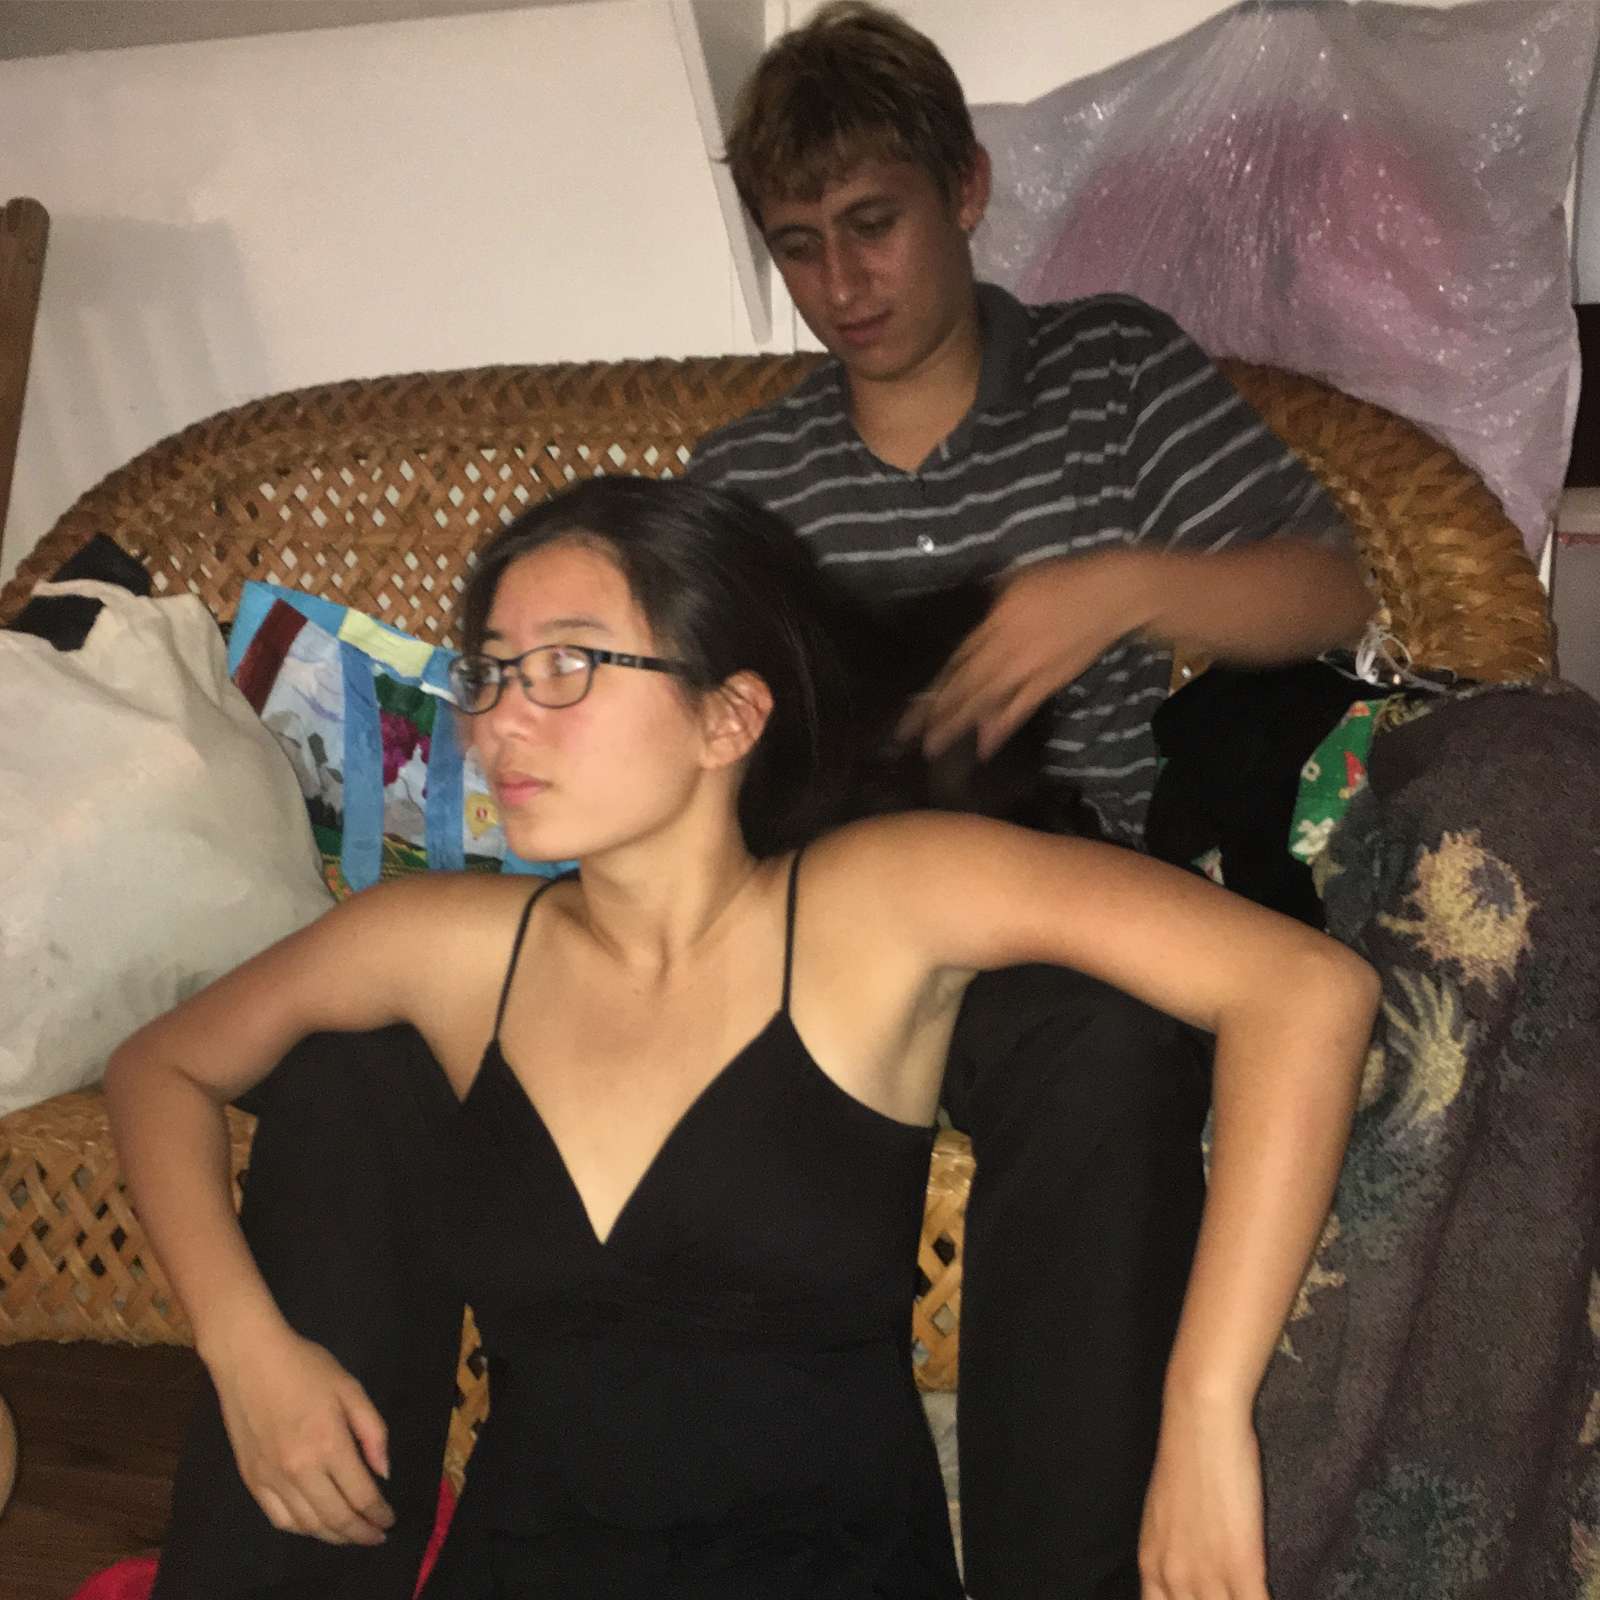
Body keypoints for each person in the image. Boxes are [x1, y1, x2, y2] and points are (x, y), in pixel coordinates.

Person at [107, 477, 1377, 1600]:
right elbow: (159, 1066)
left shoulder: (877, 902)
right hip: (527, 1569)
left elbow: (1302, 989)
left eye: (567, 665)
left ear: (728, 719)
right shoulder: (438, 944)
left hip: (827, 1572)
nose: (498, 723)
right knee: (339, 1078)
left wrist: (1205, 1414)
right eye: (490, 673)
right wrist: (246, 1346)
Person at [688, 6, 1377, 1595]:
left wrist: (1124, 586)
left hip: (1065, 911)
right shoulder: (745, 482)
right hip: (825, 918)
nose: (842, 284)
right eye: (798, 247)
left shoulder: (1105, 371)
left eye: (874, 224)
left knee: (1109, 1054)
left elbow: (1330, 589)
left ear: (967, 188)